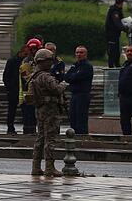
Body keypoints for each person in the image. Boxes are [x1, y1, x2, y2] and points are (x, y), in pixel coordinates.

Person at [28, 48, 67, 177]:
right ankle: (50, 168)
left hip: (40, 109)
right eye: (49, 61)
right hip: (50, 110)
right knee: (50, 139)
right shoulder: (46, 76)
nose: (51, 63)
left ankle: (36, 167)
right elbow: (56, 89)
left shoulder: (35, 75)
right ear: (43, 62)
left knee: (40, 138)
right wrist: (63, 85)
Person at [64, 45, 94, 135]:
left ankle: (82, 137)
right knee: (73, 118)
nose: (79, 54)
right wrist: (74, 76)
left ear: (86, 54)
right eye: (77, 52)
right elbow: (67, 77)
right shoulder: (75, 65)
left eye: (81, 52)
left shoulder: (87, 66)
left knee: (81, 118)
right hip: (74, 94)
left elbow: (77, 77)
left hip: (83, 94)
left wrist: (74, 77)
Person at [19, 38, 43, 134]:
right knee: (29, 120)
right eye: (32, 49)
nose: (34, 51)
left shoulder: (41, 60)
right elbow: (27, 78)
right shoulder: (26, 62)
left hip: (39, 94)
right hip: (28, 95)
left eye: (36, 49)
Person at [3, 46, 27, 135]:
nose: (26, 56)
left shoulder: (26, 62)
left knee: (25, 109)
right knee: (12, 110)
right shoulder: (12, 61)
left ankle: (27, 127)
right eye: (25, 54)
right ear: (20, 52)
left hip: (23, 89)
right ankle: (10, 128)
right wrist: (9, 88)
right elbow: (6, 76)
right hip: (14, 89)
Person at [105, 0, 128, 68]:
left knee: (117, 51)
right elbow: (117, 22)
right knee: (113, 52)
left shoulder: (117, 9)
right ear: (121, 3)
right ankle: (112, 67)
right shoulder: (115, 10)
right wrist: (125, 29)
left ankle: (117, 65)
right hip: (112, 35)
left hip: (115, 34)